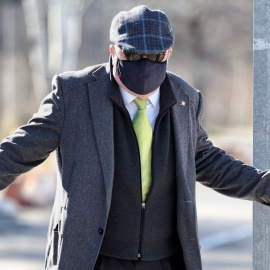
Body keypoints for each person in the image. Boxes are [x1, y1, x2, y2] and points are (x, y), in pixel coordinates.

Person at [0, 5, 269, 270]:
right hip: (94, 258)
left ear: (169, 54)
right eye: (131, 54)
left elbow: (209, 162)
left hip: (166, 260)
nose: (144, 64)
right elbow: (20, 150)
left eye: (154, 57)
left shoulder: (186, 99)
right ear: (113, 51)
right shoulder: (74, 95)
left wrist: (264, 186)